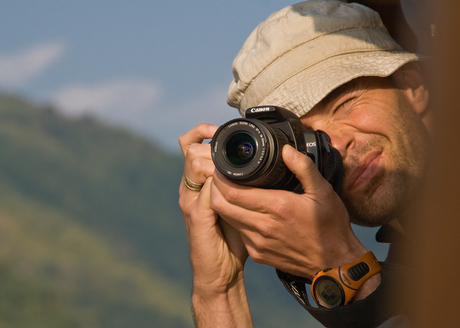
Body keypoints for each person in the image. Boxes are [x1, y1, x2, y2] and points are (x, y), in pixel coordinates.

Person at [178, 1, 432, 327]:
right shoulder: (416, 260)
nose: (337, 144)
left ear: (412, 86)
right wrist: (217, 290)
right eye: (309, 139)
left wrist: (342, 262)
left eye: (345, 103)